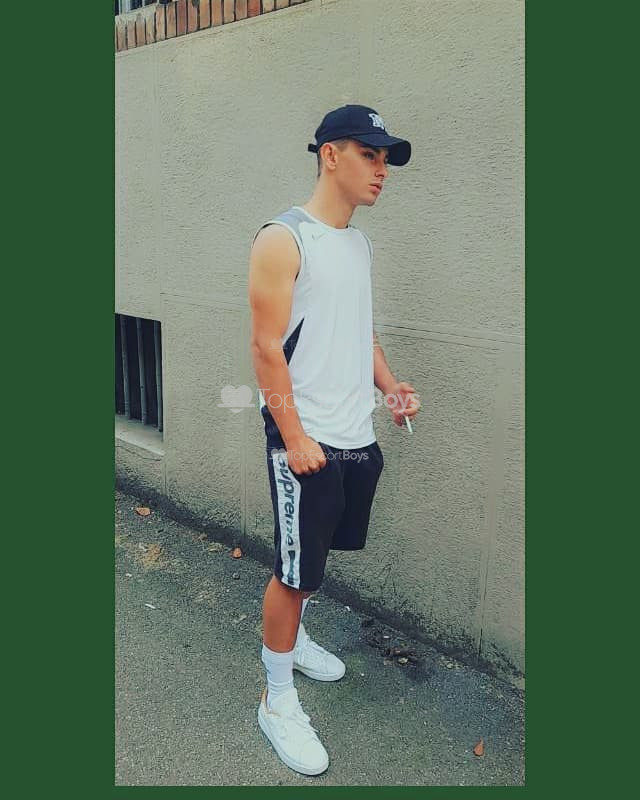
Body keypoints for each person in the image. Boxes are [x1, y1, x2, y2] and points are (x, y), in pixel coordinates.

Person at [248, 104, 420, 776]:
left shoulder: (358, 244)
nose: (382, 170)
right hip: (307, 440)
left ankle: (294, 643)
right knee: (292, 574)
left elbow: (360, 331)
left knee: (316, 560)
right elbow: (266, 348)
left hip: (354, 435)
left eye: (386, 159)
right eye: (370, 155)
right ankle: (276, 698)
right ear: (330, 155)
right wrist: (293, 437)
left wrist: (390, 385)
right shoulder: (283, 239)